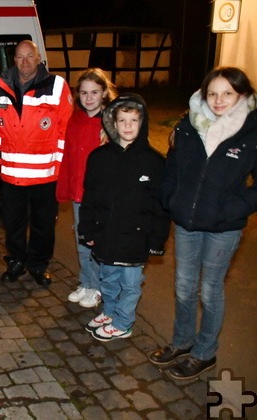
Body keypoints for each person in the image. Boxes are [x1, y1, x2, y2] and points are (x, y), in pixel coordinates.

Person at [150, 67, 257, 380]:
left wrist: (234, 208)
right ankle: (182, 341)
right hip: (187, 221)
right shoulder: (189, 124)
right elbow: (172, 166)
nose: (218, 100)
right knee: (184, 287)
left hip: (224, 227)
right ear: (203, 94)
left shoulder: (251, 131)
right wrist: (171, 197)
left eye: (227, 93)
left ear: (243, 95)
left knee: (210, 291)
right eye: (212, 93)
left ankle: (205, 352)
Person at [78, 94, 170, 341]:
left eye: (134, 120)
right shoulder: (99, 158)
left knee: (130, 284)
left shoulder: (154, 162)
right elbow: (90, 197)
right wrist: (86, 229)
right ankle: (109, 312)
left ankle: (123, 321)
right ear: (112, 123)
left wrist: (156, 241)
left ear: (143, 123)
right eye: (122, 120)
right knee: (107, 279)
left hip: (136, 239)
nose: (128, 126)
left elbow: (160, 207)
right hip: (107, 234)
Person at [0, 40, 73, 287]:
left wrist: (59, 165)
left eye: (29, 56)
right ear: (14, 60)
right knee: (13, 223)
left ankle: (38, 264)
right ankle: (16, 261)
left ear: (39, 57)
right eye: (20, 57)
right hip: (11, 174)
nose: (25, 61)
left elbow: (65, 128)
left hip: (45, 173)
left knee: (43, 224)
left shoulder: (57, 86)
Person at [57, 68, 117, 308]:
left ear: (104, 93)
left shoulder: (112, 122)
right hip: (80, 194)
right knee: (83, 242)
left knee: (98, 245)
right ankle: (87, 282)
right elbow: (69, 157)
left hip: (101, 196)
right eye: (84, 93)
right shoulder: (75, 120)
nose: (89, 97)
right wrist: (65, 188)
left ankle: (99, 288)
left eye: (94, 92)